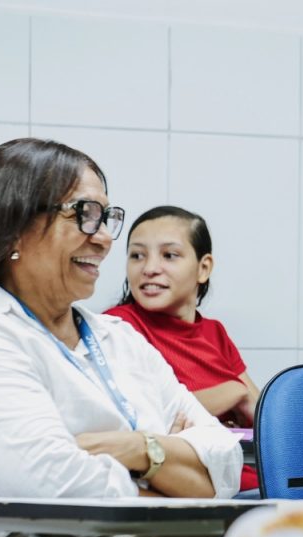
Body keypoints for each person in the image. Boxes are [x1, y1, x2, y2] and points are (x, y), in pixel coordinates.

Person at [0, 138, 242, 537]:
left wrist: (138, 449)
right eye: (84, 215)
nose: (105, 239)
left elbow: (225, 462)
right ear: (12, 229)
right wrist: (175, 478)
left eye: (106, 217)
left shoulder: (118, 337)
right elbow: (53, 483)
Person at [105, 207, 259, 491]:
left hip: (246, 475)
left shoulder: (214, 332)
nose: (149, 268)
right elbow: (145, 420)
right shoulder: (117, 327)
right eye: (137, 255)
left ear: (203, 268)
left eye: (169, 255)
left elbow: (263, 415)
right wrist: (232, 392)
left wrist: (239, 398)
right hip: (193, 487)